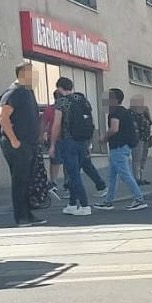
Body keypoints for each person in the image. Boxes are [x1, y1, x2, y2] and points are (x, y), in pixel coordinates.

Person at [0, 62, 45, 227]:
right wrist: (14, 140)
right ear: (23, 73)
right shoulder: (13, 92)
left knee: (28, 180)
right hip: (17, 145)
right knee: (20, 181)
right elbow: (3, 117)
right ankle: (21, 217)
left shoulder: (27, 92)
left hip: (29, 143)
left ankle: (28, 213)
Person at [94, 88, 149, 211]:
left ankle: (139, 199)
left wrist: (104, 138)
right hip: (122, 147)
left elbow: (114, 128)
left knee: (125, 175)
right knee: (113, 176)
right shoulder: (124, 111)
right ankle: (108, 201)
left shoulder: (114, 112)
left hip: (118, 147)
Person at [54, 77, 98, 216]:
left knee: (73, 175)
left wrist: (52, 143)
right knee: (75, 173)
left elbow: (56, 124)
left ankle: (85, 205)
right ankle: (72, 204)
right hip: (83, 141)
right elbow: (90, 120)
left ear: (60, 88)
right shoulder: (82, 100)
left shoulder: (61, 102)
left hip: (68, 141)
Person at [129, 95, 152, 185]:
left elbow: (151, 121)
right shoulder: (131, 113)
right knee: (137, 159)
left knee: (143, 158)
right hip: (137, 139)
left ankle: (141, 177)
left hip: (146, 138)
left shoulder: (144, 113)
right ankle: (136, 179)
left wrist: (148, 112)